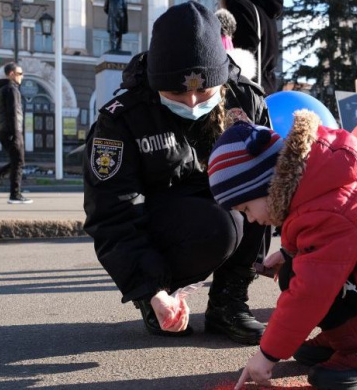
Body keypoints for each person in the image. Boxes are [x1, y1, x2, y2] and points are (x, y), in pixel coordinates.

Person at [207, 112, 357, 390]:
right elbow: (332, 241)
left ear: (267, 185)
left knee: (302, 280)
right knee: (296, 269)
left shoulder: (328, 205)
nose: (251, 218)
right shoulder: (318, 180)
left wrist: (267, 355)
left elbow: (311, 290)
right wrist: (289, 252)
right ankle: (342, 336)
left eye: (246, 208)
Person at [83, 1, 269, 345]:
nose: (193, 102)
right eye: (177, 93)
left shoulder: (246, 99)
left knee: (257, 192)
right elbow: (112, 213)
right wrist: (152, 289)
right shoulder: (123, 117)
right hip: (164, 220)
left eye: (205, 90)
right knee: (220, 226)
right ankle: (158, 299)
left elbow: (271, 178)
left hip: (218, 205)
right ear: (155, 82)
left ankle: (229, 302)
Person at [0, 62, 32, 204]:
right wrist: (16, 134)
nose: (22, 76)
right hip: (11, 130)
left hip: (4, 130)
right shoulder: (11, 89)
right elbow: (13, 113)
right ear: (12, 74)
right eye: (20, 74)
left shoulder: (2, 89)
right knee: (19, 161)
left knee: (17, 161)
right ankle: (13, 194)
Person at [220, 0, 282, 95]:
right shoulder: (266, 13)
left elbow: (241, 57)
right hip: (267, 89)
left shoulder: (240, 6)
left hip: (246, 95)